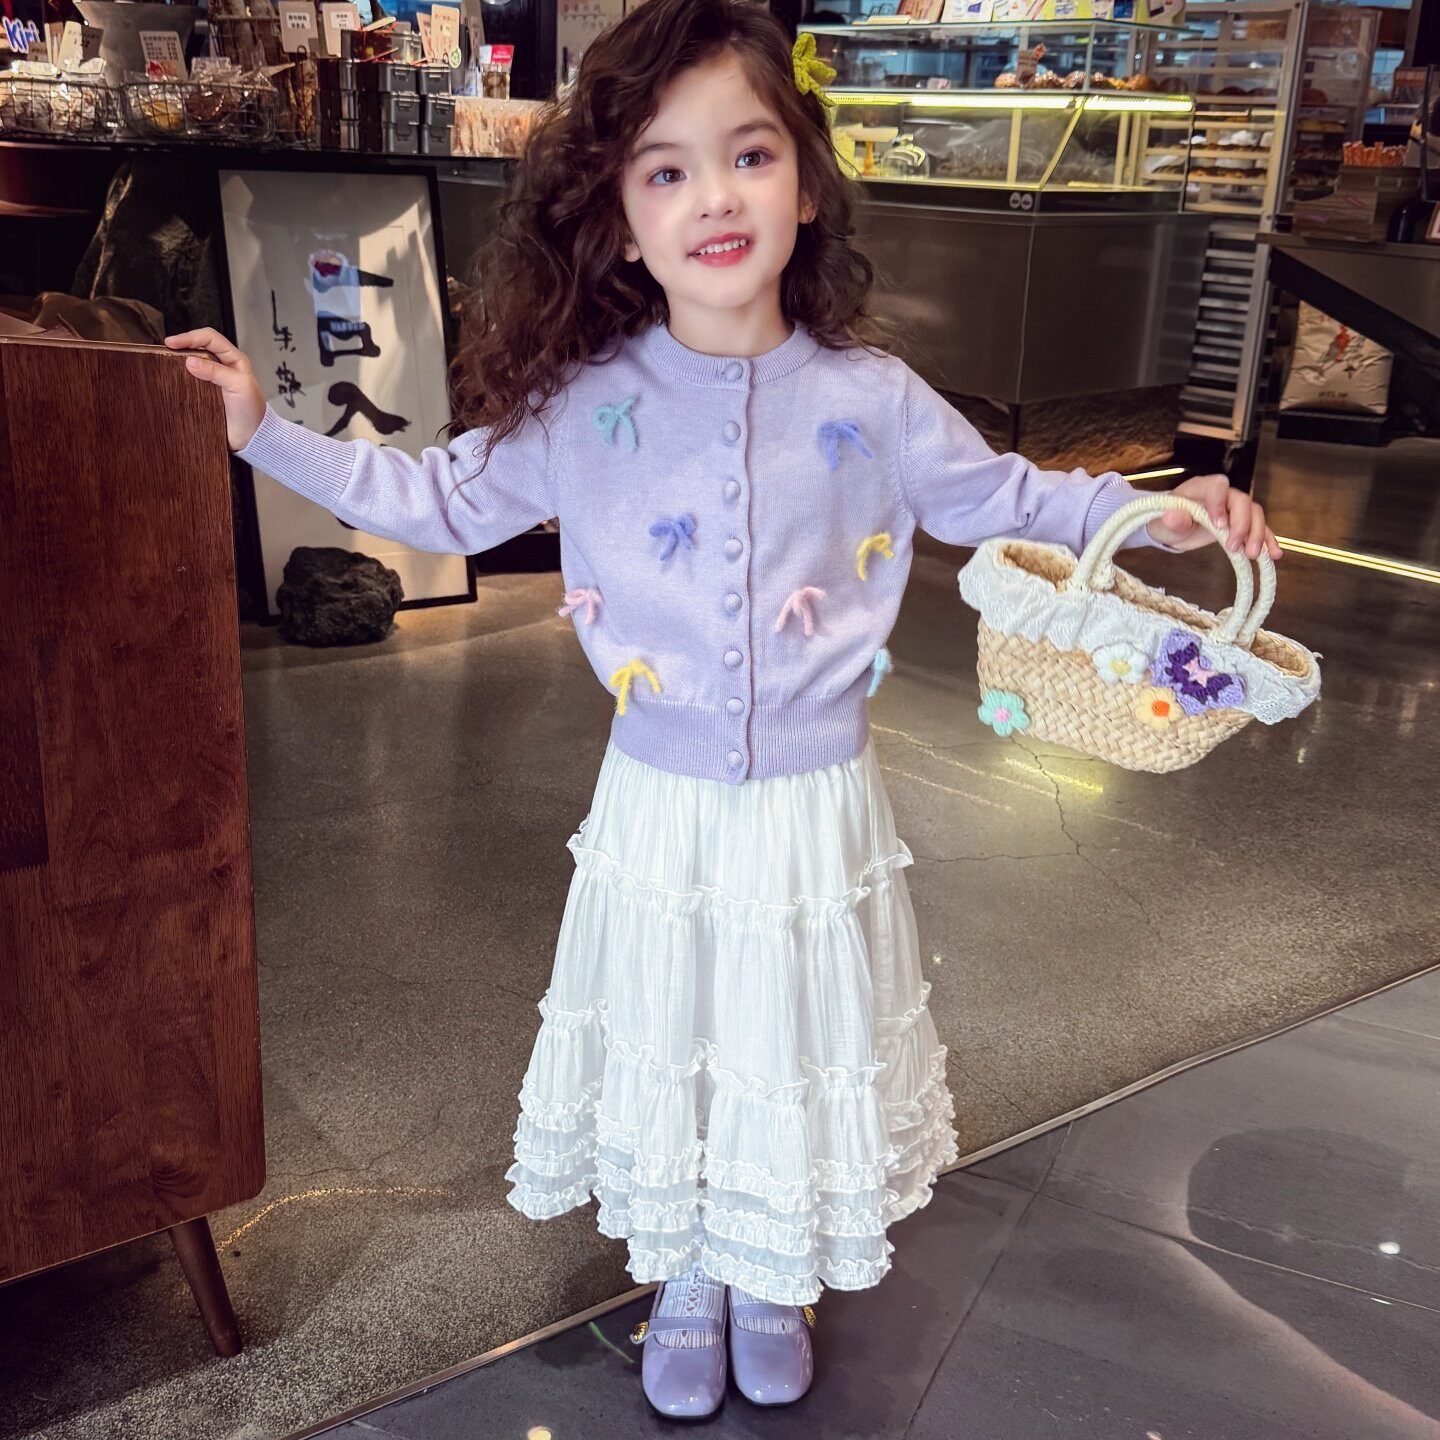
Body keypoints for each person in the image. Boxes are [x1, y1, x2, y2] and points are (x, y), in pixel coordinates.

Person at [166, 0, 1280, 1420]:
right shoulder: (585, 402)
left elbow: (1007, 495)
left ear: (805, 187)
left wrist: (1162, 512)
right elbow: (438, 498)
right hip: (661, 797)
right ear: (622, 220)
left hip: (818, 804)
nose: (714, 197)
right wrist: (264, 432)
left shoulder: (874, 396)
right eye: (667, 169)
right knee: (681, 1017)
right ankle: (689, 1268)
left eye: (749, 155)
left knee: (782, 1032)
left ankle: (770, 1271)